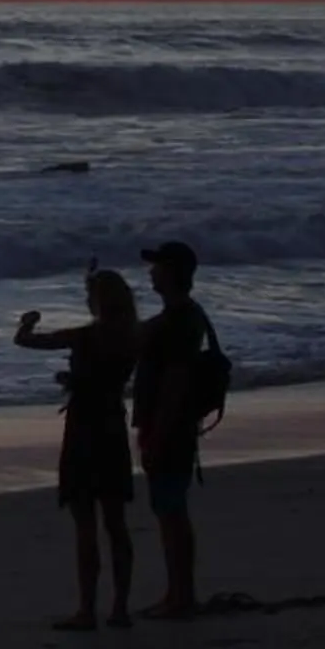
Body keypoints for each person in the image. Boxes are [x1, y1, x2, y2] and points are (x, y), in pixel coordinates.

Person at [14, 266, 141, 631]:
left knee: (85, 523)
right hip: (113, 425)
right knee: (116, 523)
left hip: (84, 428)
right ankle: (120, 608)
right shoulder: (132, 338)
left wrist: (27, 323)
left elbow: (28, 342)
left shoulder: (86, 336)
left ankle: (87, 609)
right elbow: (107, 379)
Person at [130, 240, 217, 620]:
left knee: (170, 511)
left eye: (157, 267)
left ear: (171, 273)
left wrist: (158, 434)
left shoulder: (178, 320)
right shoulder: (183, 316)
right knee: (170, 509)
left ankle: (181, 596)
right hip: (173, 424)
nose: (151, 273)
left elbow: (176, 382)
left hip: (171, 425)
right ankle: (179, 592)